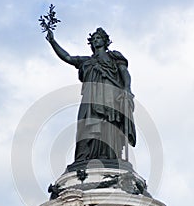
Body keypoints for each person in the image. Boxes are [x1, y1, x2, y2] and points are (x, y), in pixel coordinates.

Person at [46, 27, 136, 162]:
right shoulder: (86, 61)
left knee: (109, 124)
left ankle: (110, 156)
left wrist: (127, 88)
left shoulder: (114, 57)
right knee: (86, 124)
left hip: (110, 95)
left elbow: (125, 74)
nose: (95, 41)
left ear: (105, 41)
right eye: (93, 39)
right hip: (90, 98)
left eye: (98, 38)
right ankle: (86, 157)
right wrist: (53, 42)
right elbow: (68, 57)